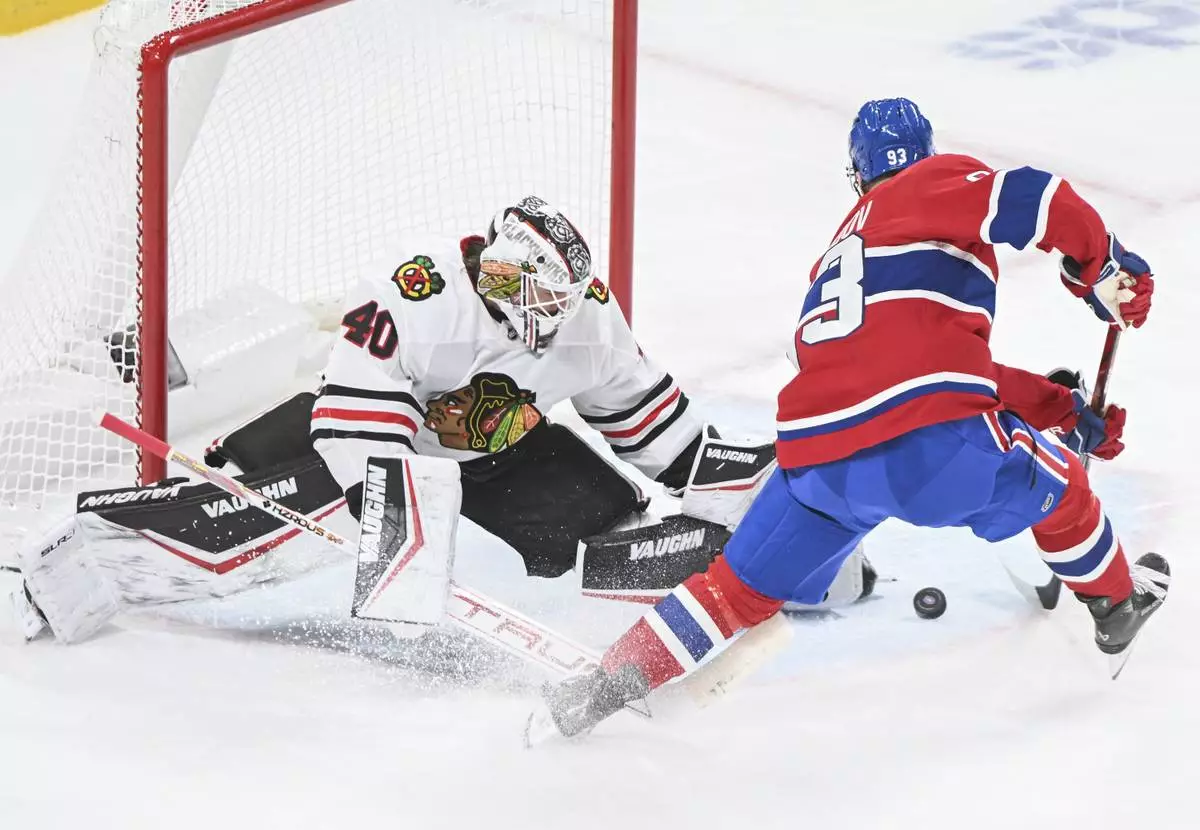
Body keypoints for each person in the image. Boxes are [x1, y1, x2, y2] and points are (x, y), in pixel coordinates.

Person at [533, 98, 1169, 739]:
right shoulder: (929, 183)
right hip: (927, 442)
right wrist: (1103, 265)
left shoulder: (842, 249)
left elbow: (925, 370)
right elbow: (1040, 198)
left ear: (858, 172)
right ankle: (1117, 603)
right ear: (923, 154)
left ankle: (599, 689)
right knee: (1066, 489)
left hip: (816, 461)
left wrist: (1057, 406)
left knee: (731, 593)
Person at [5, 196, 876, 645]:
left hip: (500, 456)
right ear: (497, 270)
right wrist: (398, 527)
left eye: (555, 298)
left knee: (618, 537)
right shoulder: (419, 295)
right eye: (529, 292)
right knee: (256, 529)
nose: (543, 311)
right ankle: (70, 565)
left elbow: (661, 435)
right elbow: (355, 425)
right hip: (361, 439)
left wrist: (763, 501)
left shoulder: (589, 320)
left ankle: (779, 572)